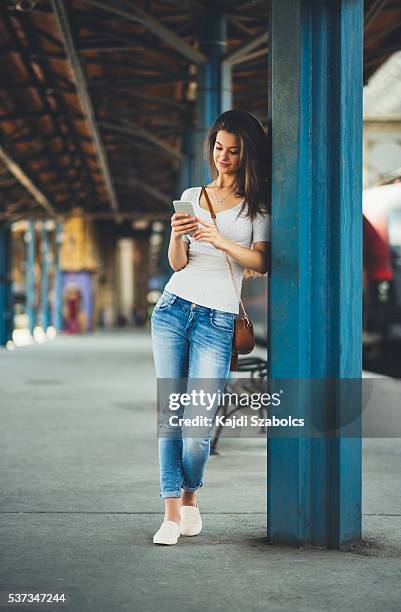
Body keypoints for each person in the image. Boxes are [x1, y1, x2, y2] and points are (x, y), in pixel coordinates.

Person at [150, 109, 271, 545]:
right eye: (219, 148)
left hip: (218, 320)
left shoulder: (258, 205)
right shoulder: (192, 192)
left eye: (234, 150)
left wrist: (220, 240)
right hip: (172, 309)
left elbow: (261, 261)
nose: (224, 157)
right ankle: (168, 514)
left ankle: (190, 499)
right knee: (171, 416)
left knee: (198, 428)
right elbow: (178, 263)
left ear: (248, 153)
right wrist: (177, 233)